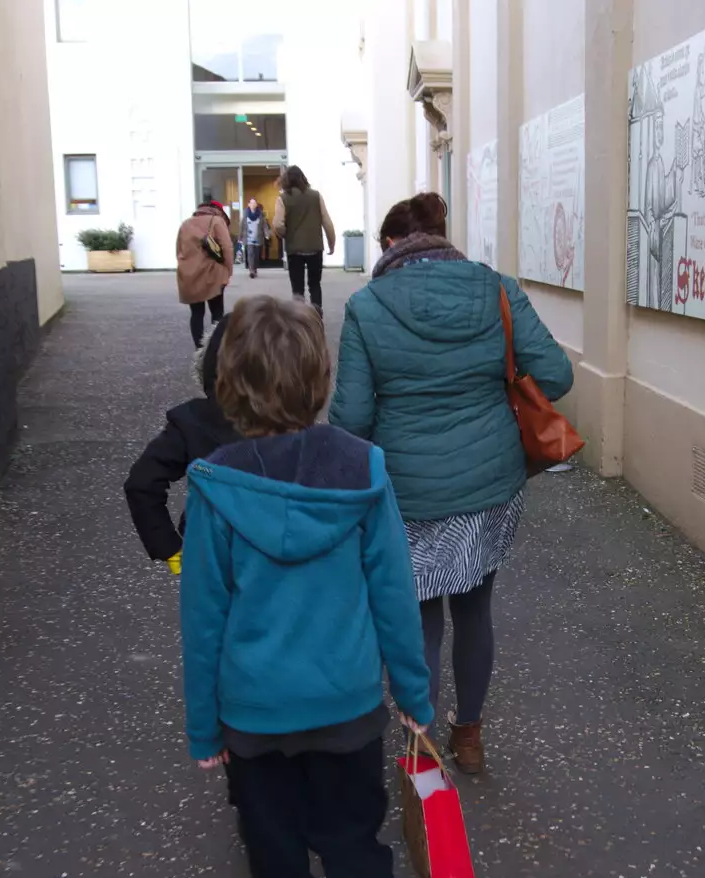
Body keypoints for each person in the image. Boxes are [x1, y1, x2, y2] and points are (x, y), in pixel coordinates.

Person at [181, 295, 434, 878]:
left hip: (255, 715)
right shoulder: (363, 471)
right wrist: (414, 697)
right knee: (356, 843)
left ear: (230, 383)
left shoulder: (215, 485)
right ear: (319, 377)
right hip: (346, 706)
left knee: (275, 847)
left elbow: (202, 620)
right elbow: (394, 594)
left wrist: (204, 729)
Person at [330, 192, 573, 773]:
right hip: (489, 485)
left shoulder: (368, 306)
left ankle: (423, 746)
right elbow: (557, 376)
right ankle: (470, 738)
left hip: (407, 492)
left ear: (391, 244)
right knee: (474, 610)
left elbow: (353, 420)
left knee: (418, 619)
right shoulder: (496, 289)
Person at [123, 315, 240, 573]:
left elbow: (142, 482)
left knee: (210, 612)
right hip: (276, 557)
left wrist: (169, 547)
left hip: (207, 548)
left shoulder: (193, 421)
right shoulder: (289, 423)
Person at [273, 166, 335, 314]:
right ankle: (317, 319)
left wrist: (284, 234)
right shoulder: (316, 196)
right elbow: (327, 222)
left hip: (294, 250)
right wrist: (331, 243)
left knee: (298, 289)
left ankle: (299, 321)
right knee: (315, 285)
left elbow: (277, 224)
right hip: (315, 247)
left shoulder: (283, 198)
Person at [177, 198, 234, 348]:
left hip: (189, 275)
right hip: (213, 273)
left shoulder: (186, 224)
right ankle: (215, 350)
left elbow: (179, 250)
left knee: (196, 314)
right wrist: (228, 271)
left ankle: (199, 350)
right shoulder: (217, 221)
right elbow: (227, 248)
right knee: (217, 313)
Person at [242, 198, 270, 278]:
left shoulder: (260, 215)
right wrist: (240, 237)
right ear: (249, 205)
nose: (253, 204)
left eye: (254, 203)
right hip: (249, 238)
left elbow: (264, 226)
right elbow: (242, 226)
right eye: (251, 203)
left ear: (256, 205)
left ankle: (255, 268)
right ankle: (251, 270)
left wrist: (266, 234)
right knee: (250, 254)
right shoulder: (245, 214)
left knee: (257, 255)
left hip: (258, 238)